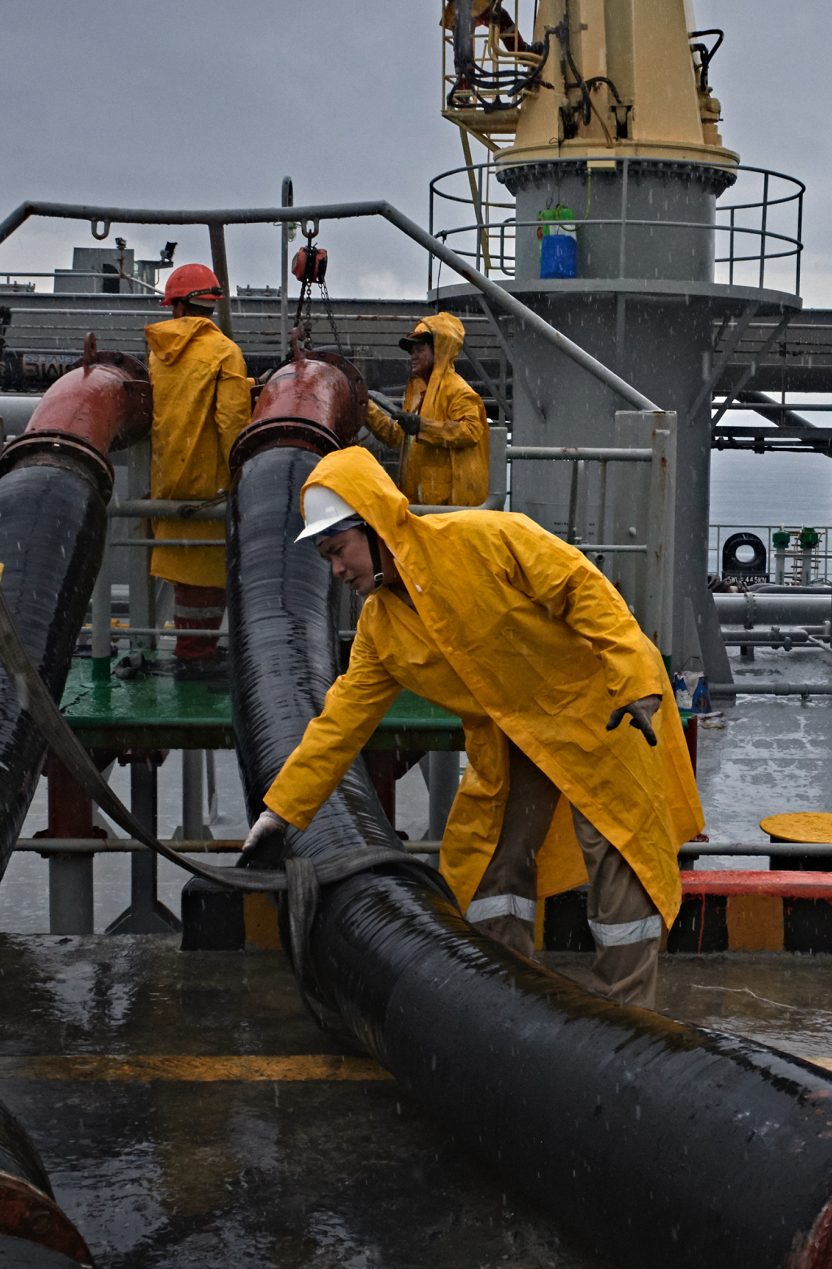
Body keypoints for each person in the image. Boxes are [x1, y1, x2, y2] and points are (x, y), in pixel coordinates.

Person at [246, 447, 700, 1004]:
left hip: (604, 709)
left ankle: (629, 1016)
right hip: (513, 735)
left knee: (619, 858)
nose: (337, 571)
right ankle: (506, 1000)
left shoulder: (482, 539)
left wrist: (633, 680)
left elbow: (584, 590)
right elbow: (339, 724)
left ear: (375, 523)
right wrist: (280, 811)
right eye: (326, 558)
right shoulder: (380, 629)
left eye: (339, 550)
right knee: (489, 862)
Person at [145, 262, 252, 679]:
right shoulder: (225, 353)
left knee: (183, 585)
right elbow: (231, 426)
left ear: (176, 307)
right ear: (210, 306)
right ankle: (198, 657)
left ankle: (191, 651)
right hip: (210, 491)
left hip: (167, 490)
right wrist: (241, 477)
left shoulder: (157, 356)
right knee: (209, 585)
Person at [362, 312, 490, 508]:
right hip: (420, 505)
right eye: (411, 351)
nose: (413, 356)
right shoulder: (417, 392)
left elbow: (472, 431)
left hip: (447, 508)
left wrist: (422, 426)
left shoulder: (458, 390)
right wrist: (364, 407)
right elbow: (399, 437)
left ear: (438, 350)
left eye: (419, 349)